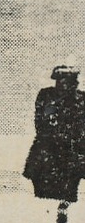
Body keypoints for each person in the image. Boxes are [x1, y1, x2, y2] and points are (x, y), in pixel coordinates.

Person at [22, 61, 83, 202]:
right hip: (47, 154)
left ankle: (62, 220)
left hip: (69, 156)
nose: (71, 84)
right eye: (62, 80)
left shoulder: (81, 99)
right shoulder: (45, 95)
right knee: (42, 198)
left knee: (66, 199)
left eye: (72, 80)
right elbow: (41, 124)